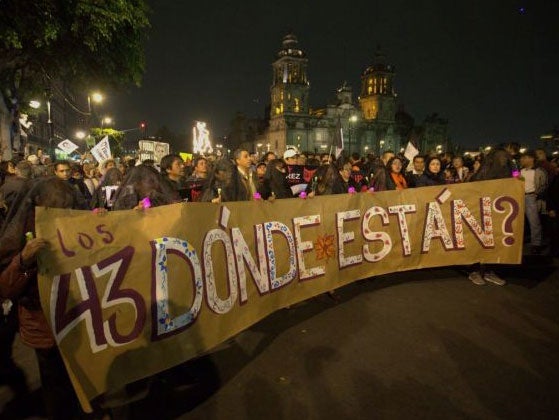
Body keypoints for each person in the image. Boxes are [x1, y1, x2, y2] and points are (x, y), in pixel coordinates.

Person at [0, 177, 86, 418]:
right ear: (36, 204)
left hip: (77, 317)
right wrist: (24, 261)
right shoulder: (17, 234)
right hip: (42, 324)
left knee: (79, 378)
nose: (58, 214)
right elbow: (5, 288)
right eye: (51, 208)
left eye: (64, 208)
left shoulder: (73, 221)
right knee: (53, 382)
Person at [467, 148, 513, 286]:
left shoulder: (509, 169)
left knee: (494, 241)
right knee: (479, 240)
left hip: (498, 210)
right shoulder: (485, 170)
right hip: (481, 210)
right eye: (502, 157)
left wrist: (518, 179)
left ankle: (489, 271)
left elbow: (515, 178)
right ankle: (475, 271)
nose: (504, 160)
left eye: (506, 157)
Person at [520, 151, 548, 254]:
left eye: (524, 158)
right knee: (520, 221)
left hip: (531, 197)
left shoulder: (539, 171)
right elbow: (515, 181)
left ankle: (536, 244)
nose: (521, 160)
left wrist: (537, 194)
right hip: (520, 197)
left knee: (534, 222)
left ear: (531, 159)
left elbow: (544, 184)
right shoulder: (520, 171)